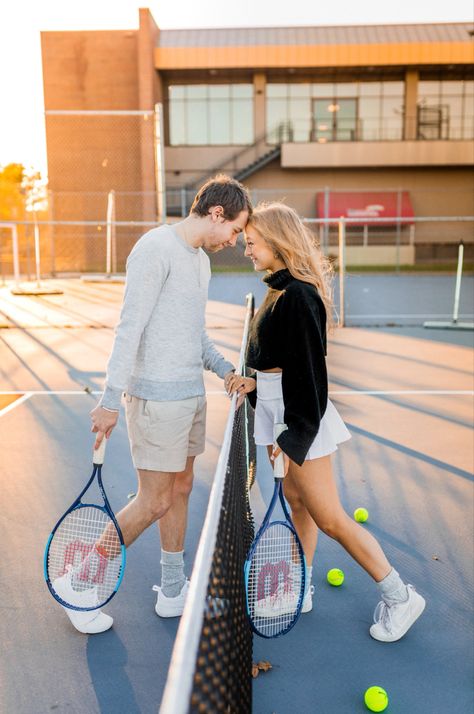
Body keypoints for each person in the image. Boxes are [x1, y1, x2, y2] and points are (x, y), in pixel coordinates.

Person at [57, 175, 252, 634]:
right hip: (154, 400)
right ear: (218, 214)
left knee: (181, 489)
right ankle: (79, 583)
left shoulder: (200, 263)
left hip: (190, 395)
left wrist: (224, 369)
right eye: (237, 229)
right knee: (154, 500)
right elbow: (131, 328)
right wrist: (108, 401)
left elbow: (193, 332)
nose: (236, 240)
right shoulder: (154, 249)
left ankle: (171, 589)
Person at [227, 202, 425, 643]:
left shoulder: (299, 296)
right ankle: (301, 584)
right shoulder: (279, 289)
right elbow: (280, 363)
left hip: (302, 419)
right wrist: (255, 387)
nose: (248, 251)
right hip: (284, 412)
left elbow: (311, 378)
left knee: (330, 516)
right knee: (298, 504)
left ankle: (400, 596)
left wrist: (290, 433)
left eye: (253, 243)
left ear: (277, 242)